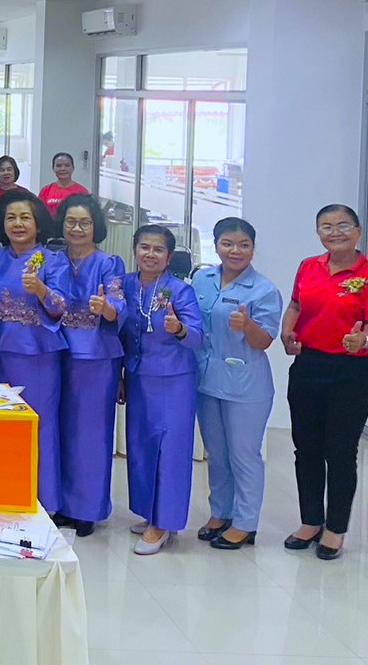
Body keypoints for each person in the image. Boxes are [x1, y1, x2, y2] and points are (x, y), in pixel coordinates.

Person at [280, 204, 368, 560]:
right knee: (306, 448)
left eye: (344, 225)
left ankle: (336, 528)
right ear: (318, 233)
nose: (335, 232)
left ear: (358, 232)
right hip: (308, 366)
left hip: (351, 372)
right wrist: (287, 332)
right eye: (326, 226)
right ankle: (311, 521)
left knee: (340, 451)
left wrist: (364, 340)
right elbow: (296, 305)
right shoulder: (308, 266)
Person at [192, 217, 282, 550]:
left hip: (246, 387)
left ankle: (245, 523)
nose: (235, 251)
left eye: (244, 245)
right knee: (216, 454)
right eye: (227, 243)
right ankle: (221, 513)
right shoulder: (202, 280)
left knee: (244, 455)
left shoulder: (264, 289)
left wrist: (247, 326)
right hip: (207, 380)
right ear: (216, 245)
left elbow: (264, 342)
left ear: (253, 249)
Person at [120, 224, 204, 555]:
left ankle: (164, 522)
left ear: (169, 257)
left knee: (170, 451)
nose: (150, 254)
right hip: (138, 377)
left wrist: (179, 328)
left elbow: (197, 337)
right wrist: (120, 375)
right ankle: (150, 511)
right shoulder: (126, 284)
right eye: (144, 247)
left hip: (174, 380)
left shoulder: (180, 291)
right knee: (141, 448)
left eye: (158, 249)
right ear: (135, 250)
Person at [0, 188, 69, 516]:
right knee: (3, 426)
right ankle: (7, 495)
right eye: (11, 218)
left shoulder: (53, 259)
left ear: (38, 223)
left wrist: (42, 290)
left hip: (40, 355)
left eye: (25, 218)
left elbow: (61, 307)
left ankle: (45, 503)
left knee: (40, 425)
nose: (17, 224)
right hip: (0, 352)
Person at [54, 194, 127, 536]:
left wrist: (106, 308)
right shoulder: (54, 259)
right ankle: (62, 503)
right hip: (57, 353)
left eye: (84, 222)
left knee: (91, 434)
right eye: (71, 222)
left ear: (96, 226)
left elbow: (117, 301)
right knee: (61, 431)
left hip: (96, 358)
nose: (77, 228)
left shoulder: (108, 262)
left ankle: (88, 508)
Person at [40, 152, 90, 216]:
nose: (63, 169)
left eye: (67, 165)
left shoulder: (82, 191)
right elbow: (39, 213)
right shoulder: (46, 191)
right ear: (53, 168)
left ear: (73, 168)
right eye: (59, 166)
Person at [0, 155, 23, 221]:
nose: (6, 173)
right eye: (2, 170)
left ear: (15, 171)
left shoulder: (24, 192)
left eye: (9, 169)